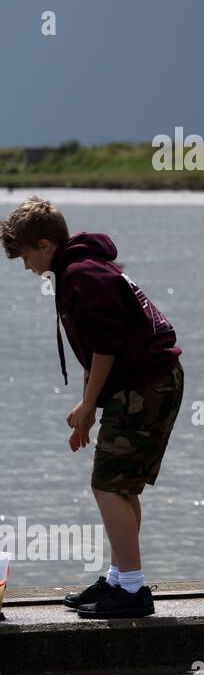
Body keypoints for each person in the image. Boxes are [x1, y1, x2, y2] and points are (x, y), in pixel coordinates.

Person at [2, 197, 183, 619]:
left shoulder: (81, 274)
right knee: (120, 484)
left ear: (45, 244)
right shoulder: (80, 268)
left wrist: (88, 404)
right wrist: (90, 408)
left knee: (107, 485)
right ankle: (120, 579)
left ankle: (133, 590)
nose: (27, 266)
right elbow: (97, 348)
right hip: (147, 382)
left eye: (26, 255)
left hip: (147, 383)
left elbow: (108, 344)